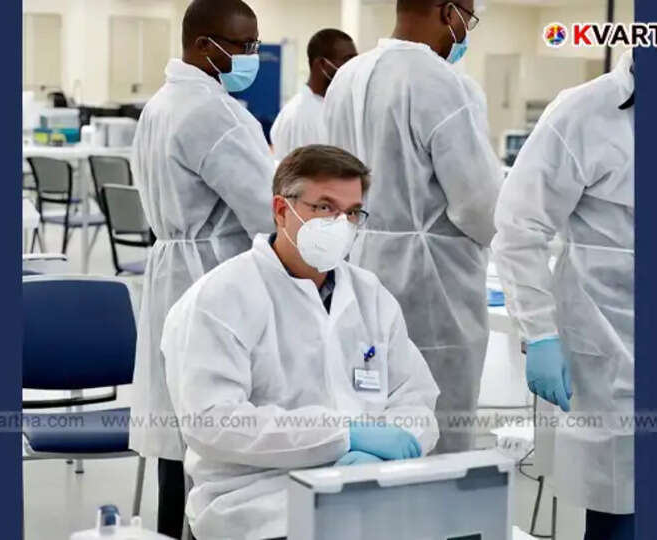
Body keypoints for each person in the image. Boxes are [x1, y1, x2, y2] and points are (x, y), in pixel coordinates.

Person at [162, 145, 440, 540]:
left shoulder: (369, 295)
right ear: (281, 210)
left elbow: (416, 396)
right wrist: (342, 436)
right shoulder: (220, 298)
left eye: (353, 212)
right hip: (259, 502)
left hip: (367, 488)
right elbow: (211, 422)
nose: (341, 223)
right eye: (324, 208)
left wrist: (397, 441)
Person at [323, 0, 504, 453]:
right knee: (435, 430)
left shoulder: (349, 77)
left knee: (366, 421)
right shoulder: (439, 82)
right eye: (469, 19)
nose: (467, 32)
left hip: (355, 271)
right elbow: (480, 205)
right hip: (429, 289)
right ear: (449, 12)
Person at [128, 0, 275, 537]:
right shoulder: (212, 112)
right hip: (213, 278)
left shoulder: (163, 104)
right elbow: (268, 209)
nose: (251, 57)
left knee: (180, 437)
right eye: (241, 46)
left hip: (177, 273)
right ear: (201, 45)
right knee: (216, 443)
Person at [491, 50, 635, 540]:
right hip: (609, 345)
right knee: (621, 510)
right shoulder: (584, 111)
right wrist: (540, 331)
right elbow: (519, 227)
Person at [269, 29, 358, 160]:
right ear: (322, 64)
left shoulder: (329, 106)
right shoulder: (300, 115)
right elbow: (306, 174)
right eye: (347, 60)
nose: (354, 66)